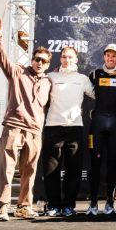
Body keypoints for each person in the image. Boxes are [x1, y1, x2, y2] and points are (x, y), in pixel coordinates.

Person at [0, 19, 52, 221]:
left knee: (30, 170)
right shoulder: (17, 72)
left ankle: (24, 206)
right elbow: (2, 58)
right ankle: (3, 207)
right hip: (14, 126)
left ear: (48, 64)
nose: (39, 63)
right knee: (7, 168)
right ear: (32, 60)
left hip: (35, 131)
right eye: (37, 59)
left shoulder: (49, 82)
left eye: (43, 61)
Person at [41, 47, 95, 217]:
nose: (67, 60)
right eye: (64, 57)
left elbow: (99, 95)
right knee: (51, 170)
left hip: (75, 129)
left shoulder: (82, 79)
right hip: (53, 128)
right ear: (60, 59)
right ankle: (53, 205)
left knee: (74, 170)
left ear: (76, 59)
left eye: (71, 57)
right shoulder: (50, 77)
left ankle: (69, 206)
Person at [85, 44, 116, 216]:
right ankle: (93, 203)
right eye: (108, 55)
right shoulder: (95, 74)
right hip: (98, 123)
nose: (111, 58)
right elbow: (83, 89)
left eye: (114, 56)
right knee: (95, 163)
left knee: (112, 163)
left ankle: (110, 203)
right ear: (104, 57)